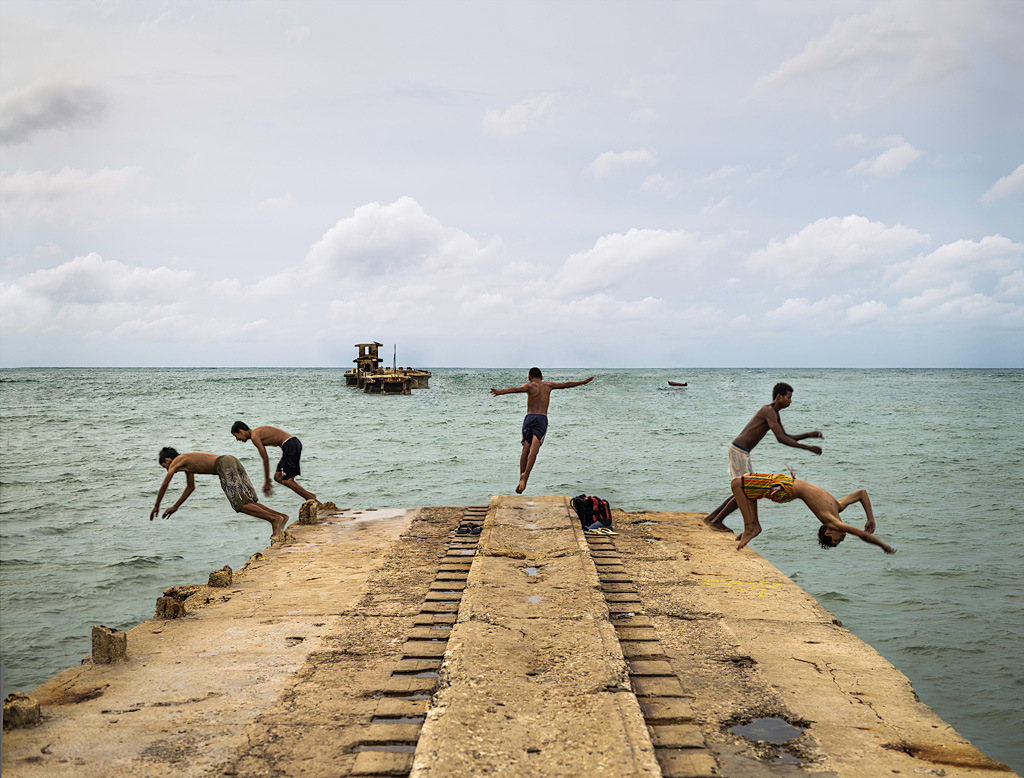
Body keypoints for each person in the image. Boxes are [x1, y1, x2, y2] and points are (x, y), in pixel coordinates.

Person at [703, 382, 822, 532]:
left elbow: (785, 436)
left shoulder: (774, 413)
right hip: (739, 451)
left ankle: (712, 518)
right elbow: (780, 438)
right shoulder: (768, 411)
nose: (790, 401)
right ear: (779, 396)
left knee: (744, 488)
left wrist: (808, 436)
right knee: (745, 489)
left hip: (741, 452)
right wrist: (808, 448)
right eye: (788, 397)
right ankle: (716, 521)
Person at [731, 471, 897, 554]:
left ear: (828, 530)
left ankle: (750, 527)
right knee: (748, 486)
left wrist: (882, 546)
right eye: (839, 541)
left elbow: (862, 535)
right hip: (786, 485)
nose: (842, 539)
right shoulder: (838, 508)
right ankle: (754, 526)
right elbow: (862, 493)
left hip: (786, 489)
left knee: (737, 483)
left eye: (836, 541)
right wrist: (871, 519)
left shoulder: (831, 521)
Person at [490, 368, 594, 494]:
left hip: (529, 418)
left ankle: (520, 477)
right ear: (542, 376)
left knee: (525, 448)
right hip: (541, 419)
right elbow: (566, 385)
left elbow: (515, 389)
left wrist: (500, 392)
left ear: (529, 377)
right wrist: (582, 382)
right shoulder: (548, 386)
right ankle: (526, 476)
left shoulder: (528, 386)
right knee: (534, 449)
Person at [150, 448, 289, 538]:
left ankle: (274, 519)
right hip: (230, 459)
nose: (167, 469)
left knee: (239, 504)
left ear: (167, 460)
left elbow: (165, 483)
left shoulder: (176, 461)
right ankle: (280, 516)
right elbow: (190, 487)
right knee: (247, 502)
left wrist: (157, 505)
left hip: (223, 464)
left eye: (165, 467)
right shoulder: (186, 463)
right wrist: (176, 506)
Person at [230, 422, 317, 503]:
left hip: (290, 445)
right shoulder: (256, 432)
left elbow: (265, 458)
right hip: (290, 444)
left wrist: (267, 480)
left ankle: (316, 503)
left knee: (287, 481)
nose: (237, 439)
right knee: (278, 477)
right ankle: (310, 495)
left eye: (236, 436)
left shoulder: (254, 436)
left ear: (241, 431)